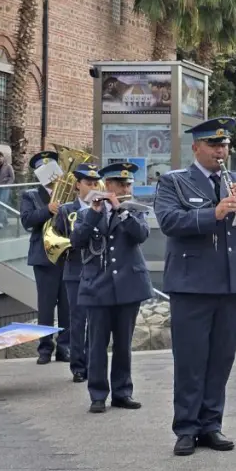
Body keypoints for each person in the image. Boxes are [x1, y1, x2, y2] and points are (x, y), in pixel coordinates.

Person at [154, 117, 236, 457]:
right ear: (196, 147)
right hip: (193, 284)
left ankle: (211, 424)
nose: (220, 150)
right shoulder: (174, 181)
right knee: (190, 359)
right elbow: (169, 221)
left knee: (221, 359)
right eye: (214, 145)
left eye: (224, 145)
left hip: (232, 281)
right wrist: (214, 213)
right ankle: (186, 427)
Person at [70, 162, 152, 413]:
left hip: (128, 285)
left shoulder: (134, 211)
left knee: (123, 344)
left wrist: (121, 211)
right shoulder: (86, 213)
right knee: (97, 344)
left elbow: (141, 235)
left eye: (128, 184)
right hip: (98, 286)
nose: (126, 189)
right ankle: (97, 394)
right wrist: (95, 214)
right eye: (120, 184)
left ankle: (122, 392)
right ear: (108, 185)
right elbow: (77, 241)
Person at [20, 151, 70, 365]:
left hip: (66, 255)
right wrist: (48, 210)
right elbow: (27, 220)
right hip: (43, 257)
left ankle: (65, 347)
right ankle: (45, 348)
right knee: (46, 306)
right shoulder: (31, 195)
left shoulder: (69, 192)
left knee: (67, 305)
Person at [54, 162, 101, 383]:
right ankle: (78, 366)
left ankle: (93, 363)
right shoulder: (66, 210)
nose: (92, 187)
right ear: (78, 185)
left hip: (97, 270)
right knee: (77, 320)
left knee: (96, 322)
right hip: (74, 270)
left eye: (95, 183)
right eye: (88, 183)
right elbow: (58, 236)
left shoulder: (102, 208)